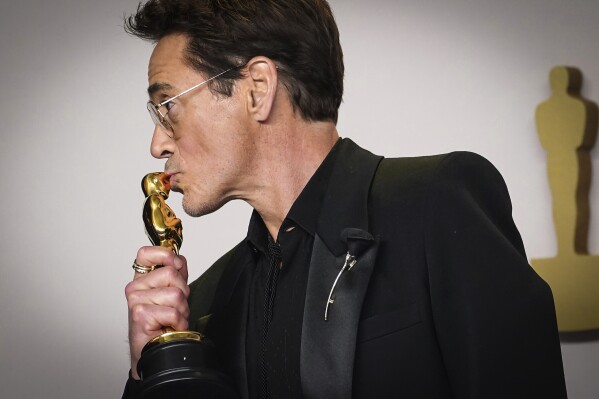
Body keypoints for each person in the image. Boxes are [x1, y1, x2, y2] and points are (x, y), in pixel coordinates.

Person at [122, 1, 567, 398]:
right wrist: (154, 369)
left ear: (258, 88)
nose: (157, 144)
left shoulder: (439, 203)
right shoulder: (205, 301)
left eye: (168, 106)